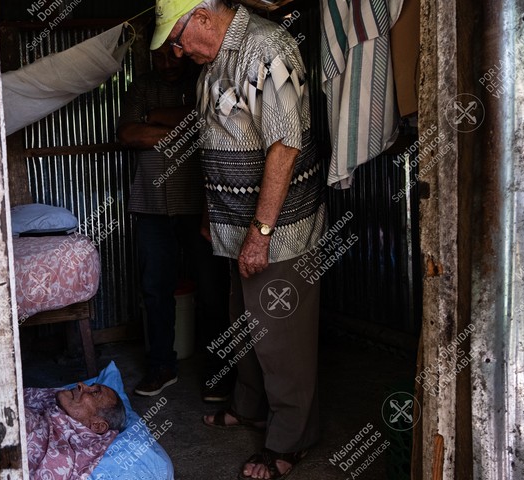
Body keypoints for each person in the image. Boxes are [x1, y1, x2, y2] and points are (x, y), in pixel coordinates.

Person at [151, 0, 326, 478]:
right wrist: (214, 212)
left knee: (280, 338)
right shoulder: (215, 61)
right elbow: (218, 138)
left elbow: (285, 144)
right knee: (244, 326)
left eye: (180, 39)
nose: (180, 52)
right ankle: (249, 408)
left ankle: (291, 440)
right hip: (234, 224)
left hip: (277, 229)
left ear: (203, 17)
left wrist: (261, 232)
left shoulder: (266, 47)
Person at [118, 43, 231, 401]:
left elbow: (211, 123)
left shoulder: (205, 78)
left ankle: (219, 373)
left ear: (184, 49)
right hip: (151, 205)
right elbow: (128, 135)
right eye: (159, 56)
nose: (166, 63)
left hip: (199, 204)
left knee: (212, 291)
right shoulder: (140, 87)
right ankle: (161, 367)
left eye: (172, 54)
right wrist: (186, 129)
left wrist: (154, 117)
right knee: (155, 289)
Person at [24, 382, 127, 479]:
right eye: (90, 385)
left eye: (95, 393)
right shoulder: (51, 402)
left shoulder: (59, 459)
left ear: (97, 426)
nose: (80, 384)